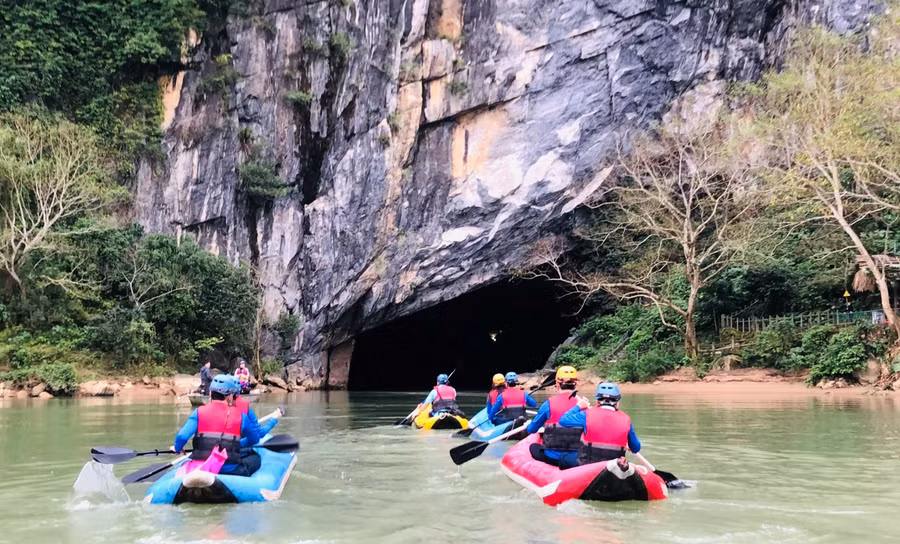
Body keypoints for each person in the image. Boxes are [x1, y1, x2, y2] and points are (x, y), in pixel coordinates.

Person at [173, 375, 266, 476]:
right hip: (230, 469)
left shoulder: (198, 412)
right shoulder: (241, 416)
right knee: (255, 458)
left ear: (210, 393)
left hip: (203, 466)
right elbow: (255, 439)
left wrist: (178, 448)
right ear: (230, 397)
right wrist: (239, 444)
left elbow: (182, 436)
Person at [557, 382, 641, 470]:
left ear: (597, 401)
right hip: (614, 468)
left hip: (587, 465)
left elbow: (563, 420)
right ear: (617, 402)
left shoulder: (586, 414)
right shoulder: (626, 420)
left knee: (564, 458)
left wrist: (578, 406)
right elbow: (636, 448)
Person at [525, 365, 582, 467]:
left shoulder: (548, 404)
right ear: (576, 384)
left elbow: (531, 430)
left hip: (552, 458)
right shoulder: (584, 404)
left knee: (533, 447)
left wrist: (529, 425)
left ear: (557, 384)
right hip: (576, 458)